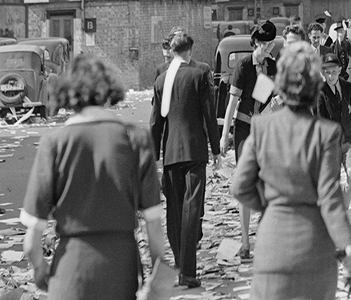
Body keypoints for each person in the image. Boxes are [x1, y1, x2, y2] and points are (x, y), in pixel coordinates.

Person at [21, 56, 164, 299]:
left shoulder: (54, 144)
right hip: (121, 270)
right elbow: (154, 227)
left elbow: (31, 244)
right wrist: (158, 281)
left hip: (71, 270)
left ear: (68, 92)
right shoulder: (136, 139)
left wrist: (40, 268)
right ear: (109, 89)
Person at [231, 42, 351, 300]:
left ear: (280, 83)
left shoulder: (261, 128)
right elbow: (330, 200)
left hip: (272, 247)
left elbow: (239, 187)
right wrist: (347, 248)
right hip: (315, 250)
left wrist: (271, 205)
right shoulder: (326, 133)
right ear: (314, 86)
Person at [150, 31, 222, 288]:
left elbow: (156, 124)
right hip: (194, 151)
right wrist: (216, 149)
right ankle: (188, 273)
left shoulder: (160, 80)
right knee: (192, 210)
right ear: (189, 51)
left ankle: (181, 264)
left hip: (170, 154)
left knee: (175, 210)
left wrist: (154, 158)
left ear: (171, 50)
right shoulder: (200, 74)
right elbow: (209, 115)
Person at [219, 21, 280, 261]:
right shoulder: (244, 66)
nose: (267, 49)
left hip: (267, 129)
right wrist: (225, 136)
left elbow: (278, 97)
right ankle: (245, 241)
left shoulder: (273, 66)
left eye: (270, 44)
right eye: (264, 44)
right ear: (255, 43)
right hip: (245, 129)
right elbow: (232, 104)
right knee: (245, 183)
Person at [316, 52, 351, 212]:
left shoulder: (347, 86)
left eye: (334, 71)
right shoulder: (320, 91)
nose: (330, 76)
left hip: (349, 139)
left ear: (339, 70)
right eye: (327, 72)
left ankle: (344, 211)